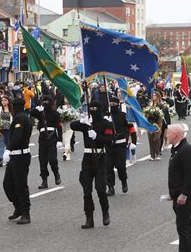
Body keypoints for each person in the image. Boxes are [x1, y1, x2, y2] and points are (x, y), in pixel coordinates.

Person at [70, 100, 113, 229]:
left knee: (100, 189)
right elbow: (72, 126)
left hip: (100, 157)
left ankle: (105, 212)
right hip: (87, 158)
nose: (93, 112)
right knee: (86, 191)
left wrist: (97, 137)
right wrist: (81, 121)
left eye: (95, 109)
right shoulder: (87, 124)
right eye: (91, 109)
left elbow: (110, 141)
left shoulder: (106, 124)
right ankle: (89, 218)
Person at [166, 124, 191, 252]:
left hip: (186, 195)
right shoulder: (176, 149)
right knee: (185, 225)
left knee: (182, 228)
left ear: (175, 134)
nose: (166, 135)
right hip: (178, 195)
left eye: (168, 133)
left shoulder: (187, 150)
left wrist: (184, 194)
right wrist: (172, 194)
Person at [2, 98, 33, 225]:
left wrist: (8, 149)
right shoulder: (22, 117)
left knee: (20, 186)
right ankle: (18, 207)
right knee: (8, 184)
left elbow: (17, 136)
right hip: (16, 156)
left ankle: (26, 213)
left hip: (20, 156)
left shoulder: (20, 118)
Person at [106, 97, 137, 196]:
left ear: (118, 105)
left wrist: (134, 142)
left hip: (121, 145)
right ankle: (110, 187)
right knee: (108, 167)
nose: (112, 106)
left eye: (114, 105)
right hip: (109, 146)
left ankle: (123, 181)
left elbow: (131, 129)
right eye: (110, 105)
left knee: (120, 166)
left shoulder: (124, 116)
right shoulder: (107, 117)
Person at [30, 95, 62, 189]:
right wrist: (37, 109)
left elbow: (59, 126)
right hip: (42, 138)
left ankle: (56, 173)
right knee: (42, 161)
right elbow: (32, 113)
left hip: (52, 137)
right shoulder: (41, 113)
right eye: (43, 102)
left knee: (52, 159)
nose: (45, 103)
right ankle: (44, 180)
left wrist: (59, 139)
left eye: (47, 101)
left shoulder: (55, 113)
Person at [0, 96, 12, 167]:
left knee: (8, 145)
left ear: (8, 101)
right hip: (0, 129)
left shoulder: (12, 109)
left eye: (5, 100)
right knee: (1, 145)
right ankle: (0, 160)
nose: (3, 102)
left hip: (9, 130)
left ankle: (8, 160)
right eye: (2, 100)